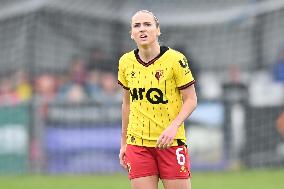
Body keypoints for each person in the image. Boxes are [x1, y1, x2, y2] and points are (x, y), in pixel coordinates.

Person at [117, 10, 197, 189]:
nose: (142, 29)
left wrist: (174, 126)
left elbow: (191, 99)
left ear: (158, 30)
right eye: (136, 26)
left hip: (170, 142)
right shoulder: (125, 62)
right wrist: (124, 143)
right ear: (131, 33)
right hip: (138, 145)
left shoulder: (176, 60)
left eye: (147, 24)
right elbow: (127, 103)